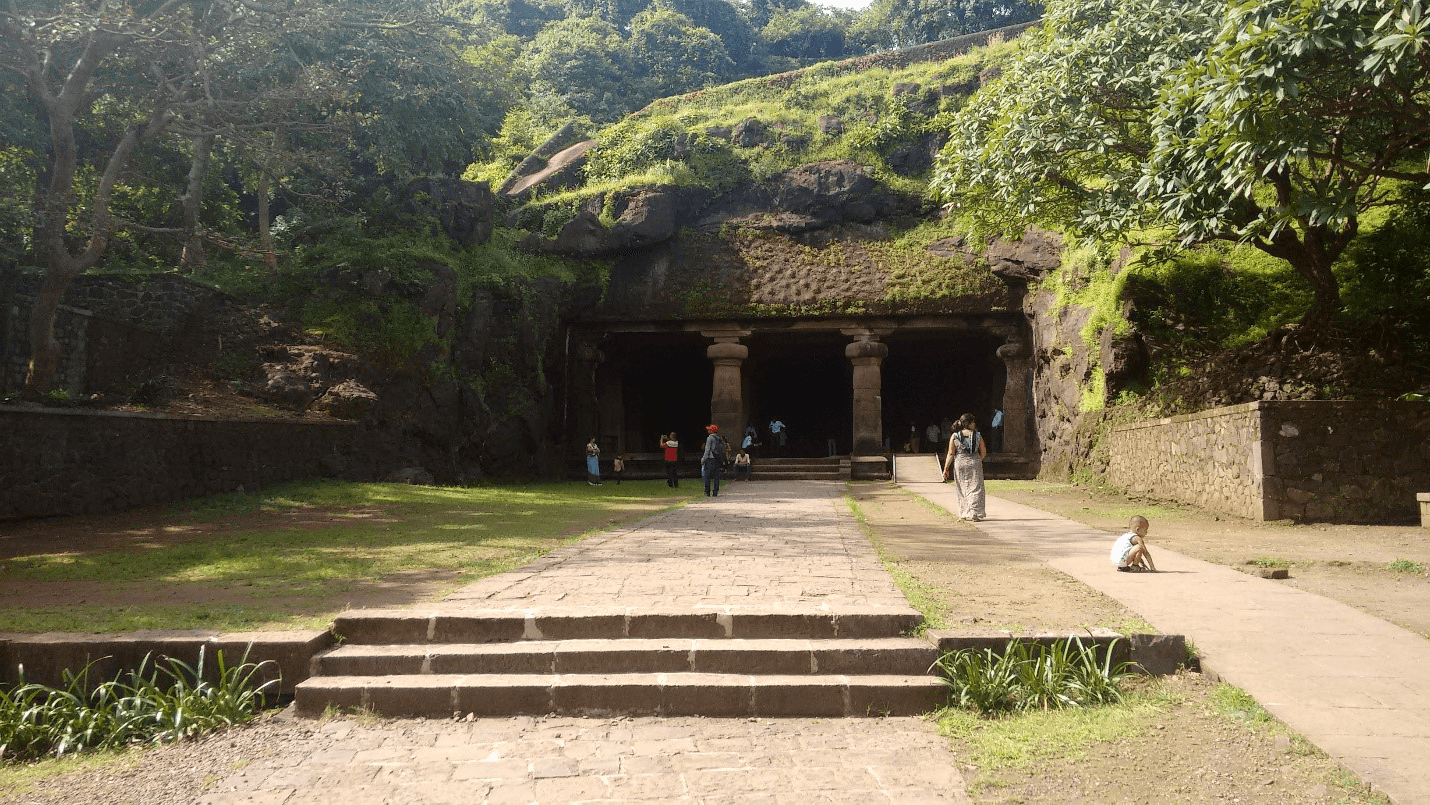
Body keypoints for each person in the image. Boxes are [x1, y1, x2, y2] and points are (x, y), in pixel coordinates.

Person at [942, 413, 986, 520]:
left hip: (960, 462)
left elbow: (951, 453)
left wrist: (946, 468)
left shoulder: (955, 436)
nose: (974, 424)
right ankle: (975, 511)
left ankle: (965, 512)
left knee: (962, 488)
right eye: (973, 422)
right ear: (970, 424)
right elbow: (983, 451)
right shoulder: (978, 435)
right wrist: (978, 460)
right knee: (976, 488)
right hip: (974, 462)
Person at [701, 424, 724, 497]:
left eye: (709, 429)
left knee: (707, 476)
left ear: (711, 431)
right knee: (716, 477)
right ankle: (715, 492)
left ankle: (707, 492)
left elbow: (707, 450)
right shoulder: (719, 438)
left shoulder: (709, 438)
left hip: (710, 459)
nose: (707, 430)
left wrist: (703, 459)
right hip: (717, 459)